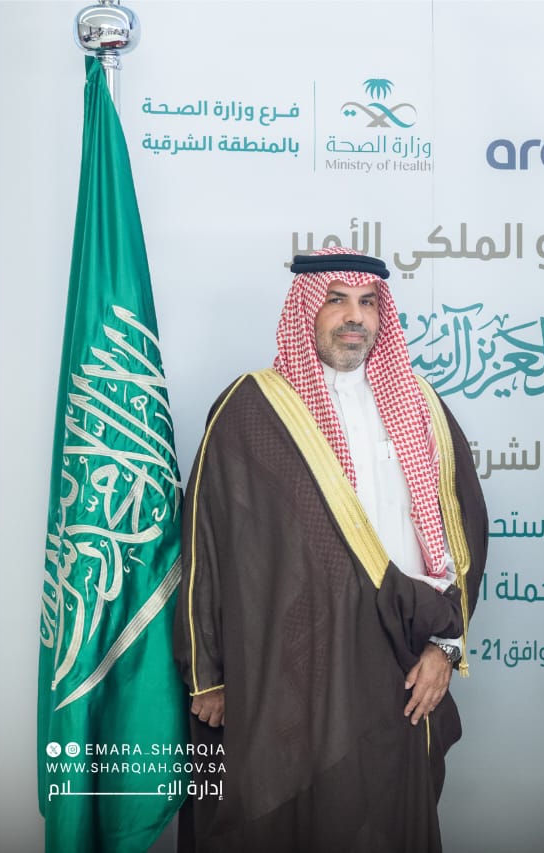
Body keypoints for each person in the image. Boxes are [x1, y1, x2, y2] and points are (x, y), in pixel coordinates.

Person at [173, 246, 488, 852]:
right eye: (336, 300)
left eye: (367, 303)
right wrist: (206, 675)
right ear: (305, 310)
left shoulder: (422, 407)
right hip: (286, 668)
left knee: (385, 822)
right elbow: (204, 546)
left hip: (400, 661)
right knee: (286, 820)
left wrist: (445, 648)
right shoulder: (251, 408)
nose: (354, 317)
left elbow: (464, 536)